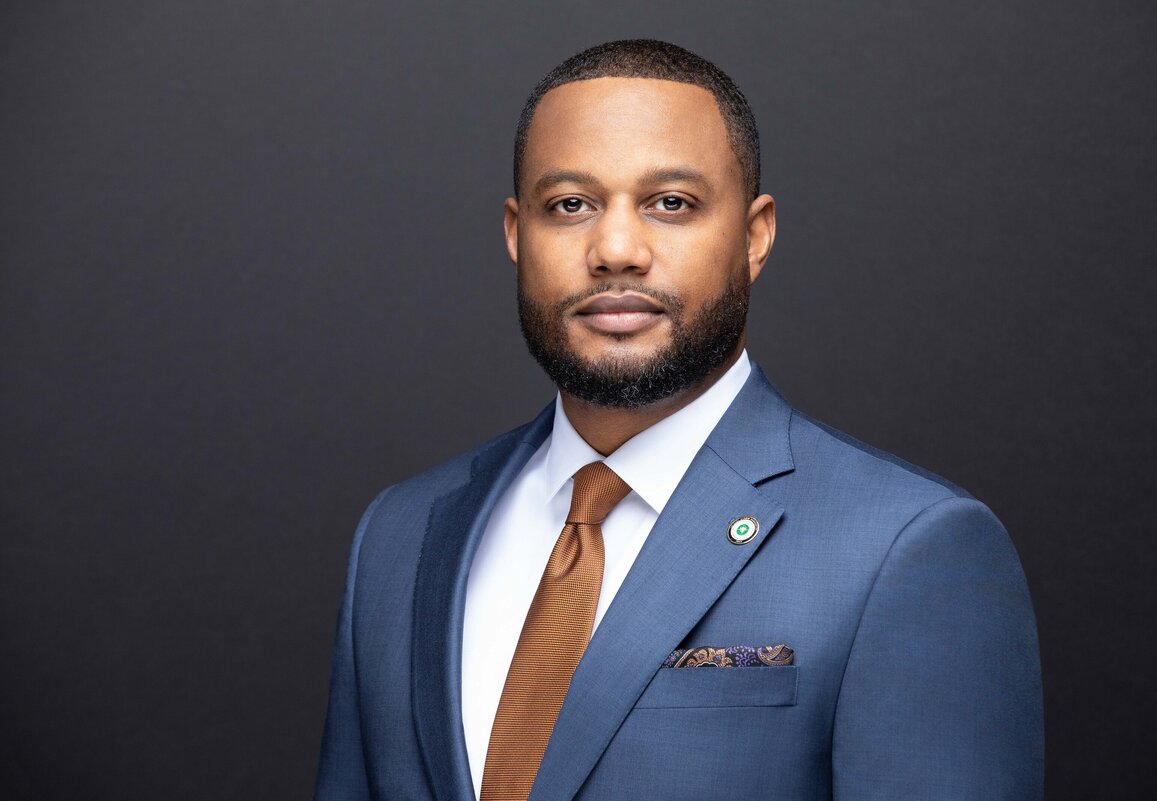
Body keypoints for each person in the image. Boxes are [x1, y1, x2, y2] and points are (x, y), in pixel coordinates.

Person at [314, 39, 1043, 801]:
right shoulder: (399, 536)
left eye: (671, 203)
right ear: (515, 233)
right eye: (570, 204)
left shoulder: (904, 547)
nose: (617, 249)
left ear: (755, 237)